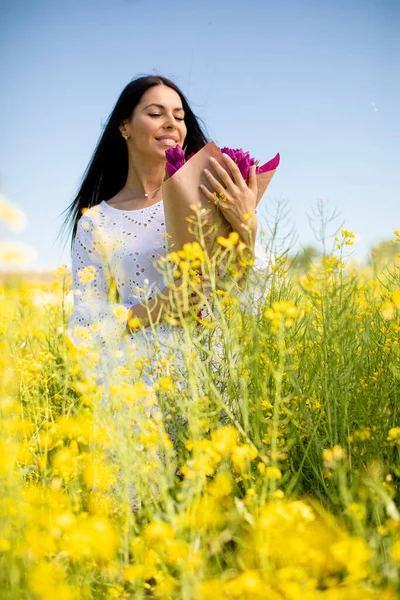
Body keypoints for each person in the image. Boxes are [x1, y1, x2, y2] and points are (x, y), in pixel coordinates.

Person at [63, 74, 260, 374]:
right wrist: (158, 308)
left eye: (178, 116)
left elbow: (251, 298)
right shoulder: (96, 223)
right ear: (124, 126)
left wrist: (247, 227)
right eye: (156, 114)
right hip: (142, 386)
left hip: (215, 377)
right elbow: (85, 328)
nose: (171, 123)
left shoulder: (212, 198)